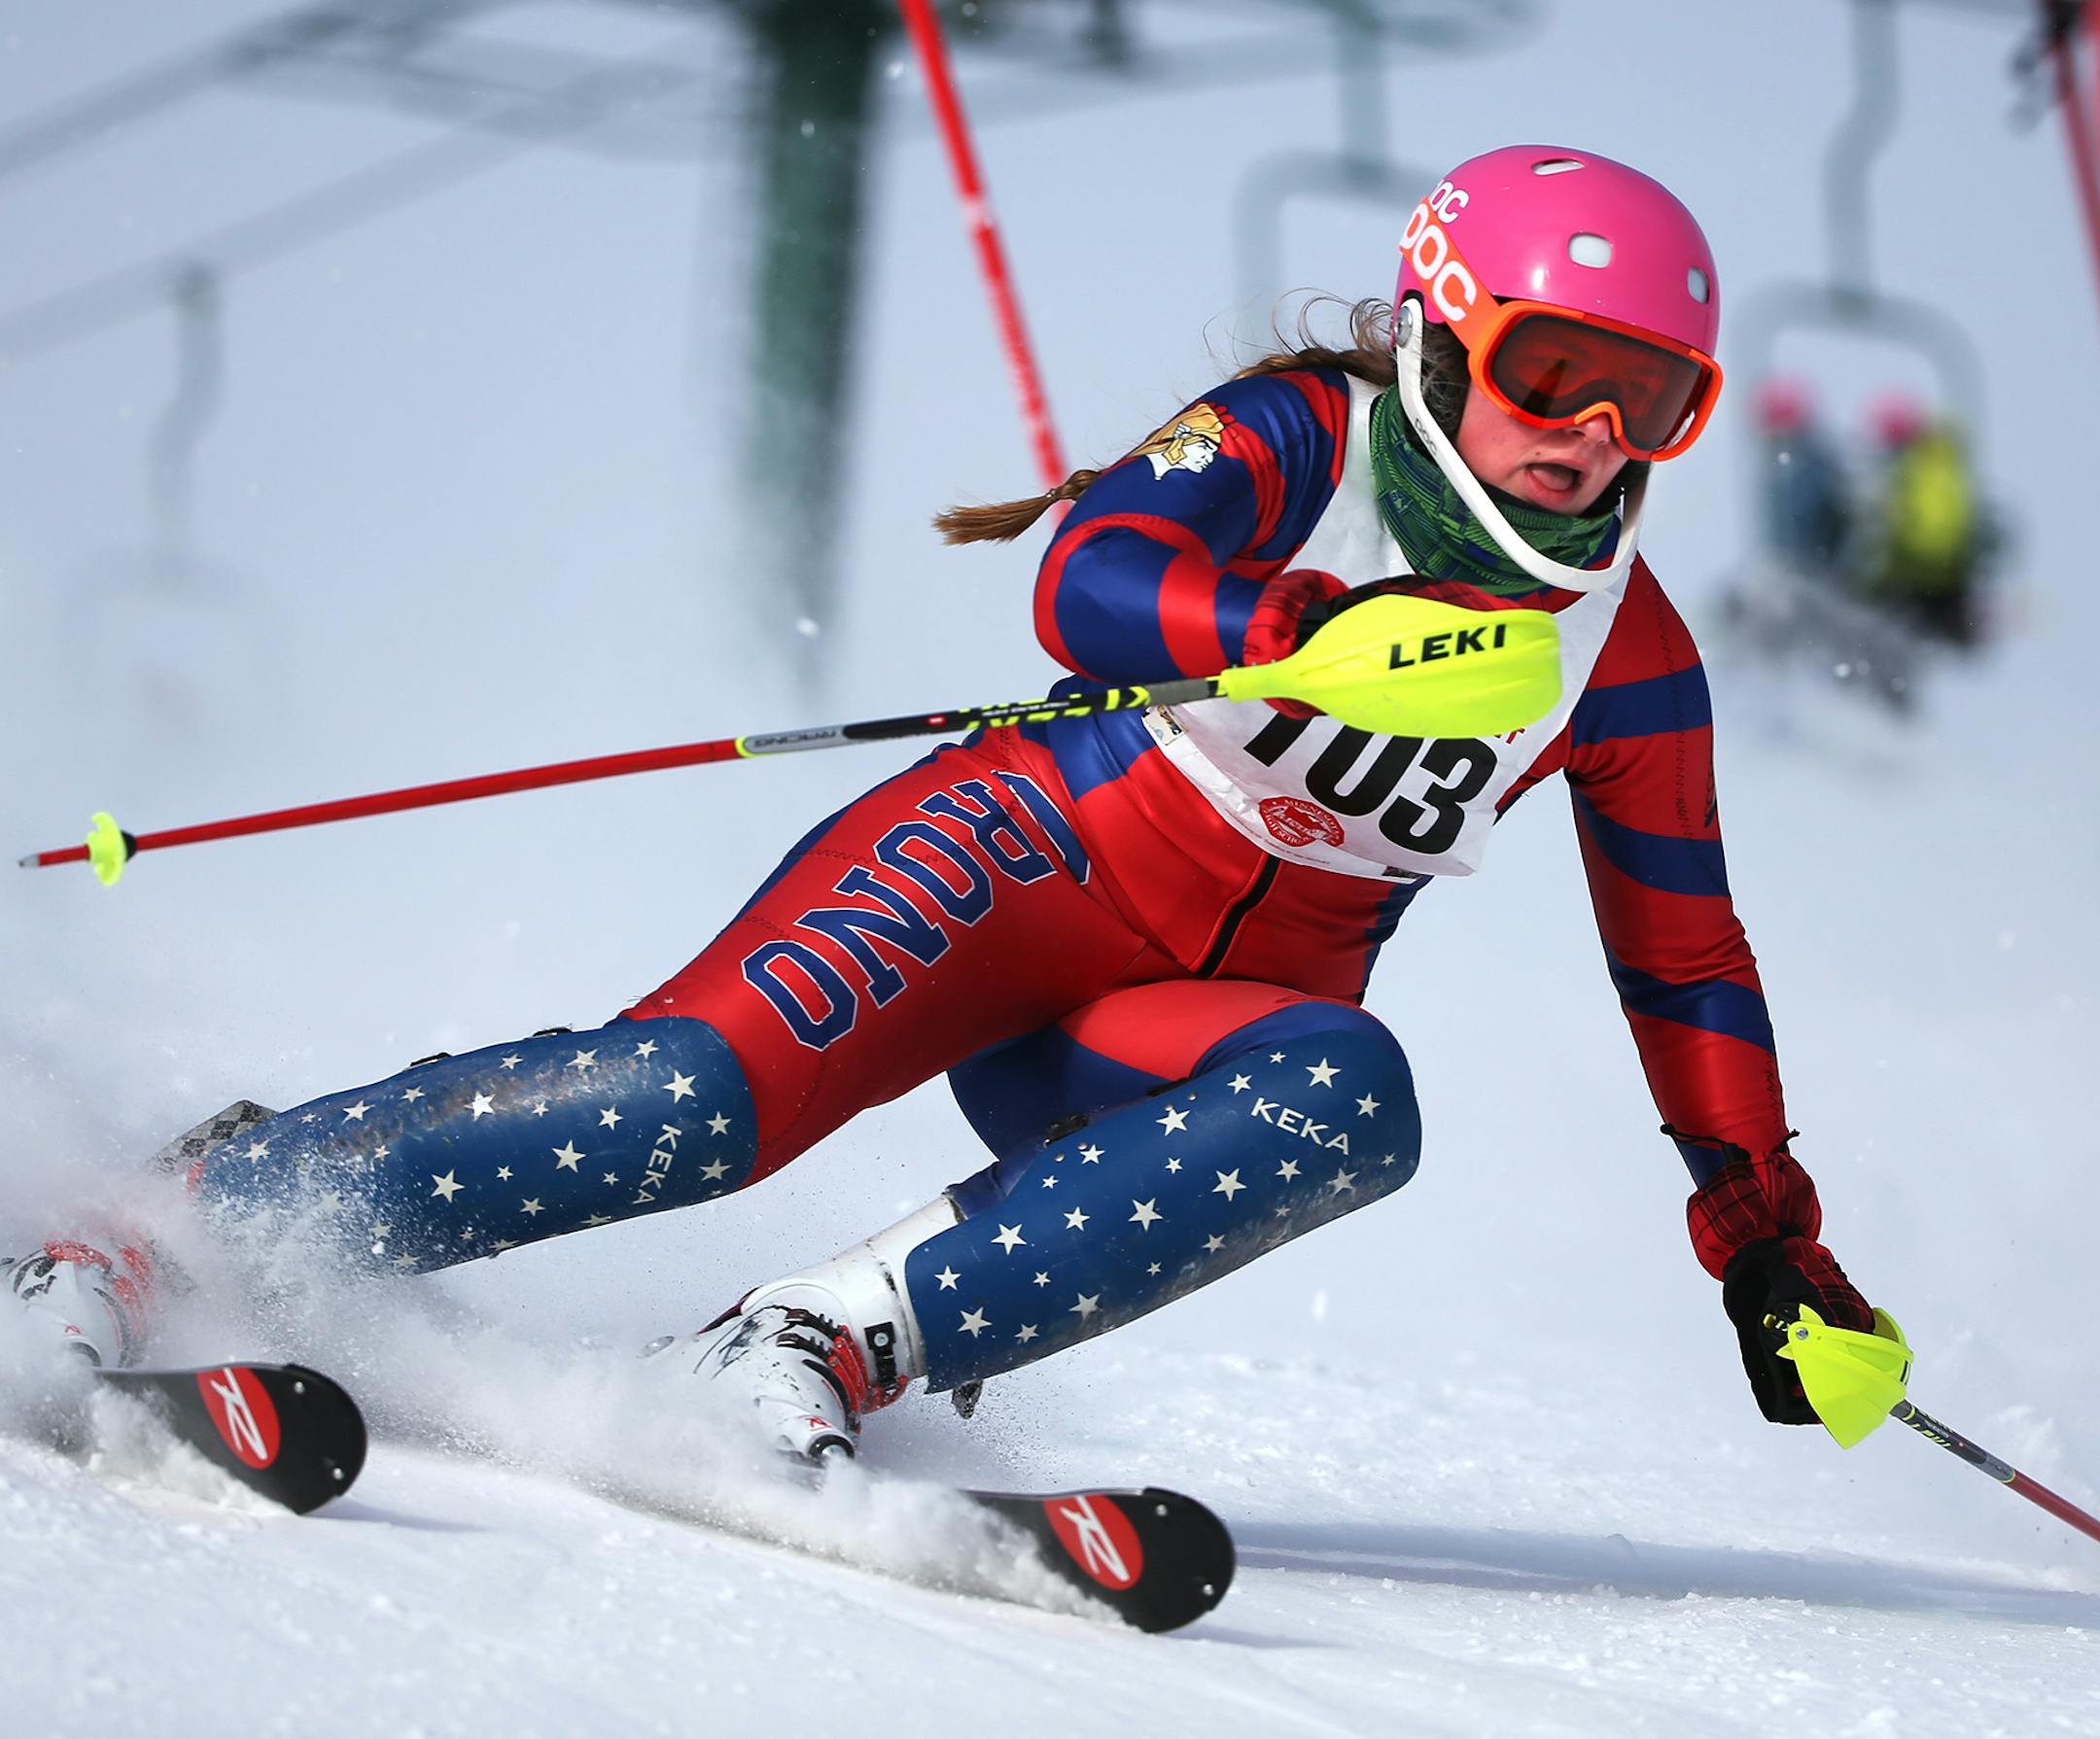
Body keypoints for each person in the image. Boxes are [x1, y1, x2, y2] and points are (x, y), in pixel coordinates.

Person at [5, 144, 1898, 1463]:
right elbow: (1090, 577)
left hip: (1154, 1035)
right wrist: (1310, 634)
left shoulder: (1624, 657)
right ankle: (146, 1227)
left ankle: (802, 1350)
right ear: (1436, 328)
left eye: (1649, 401)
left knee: (1355, 1093)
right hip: (1009, 862)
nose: (1588, 431)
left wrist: (1765, 1237)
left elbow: (1688, 952)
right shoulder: (1302, 439)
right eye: (1552, 370)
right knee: (697, 1104)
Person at [1855, 389, 1991, 645]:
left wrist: (1900, 559)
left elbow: (1935, 533)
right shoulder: (1919, 466)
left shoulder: (1928, 467)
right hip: (1928, 580)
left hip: (1932, 584)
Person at [1750, 375, 1852, 581]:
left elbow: (1828, 526)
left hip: (1821, 576)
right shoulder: (1785, 473)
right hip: (1800, 573)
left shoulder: (1815, 470)